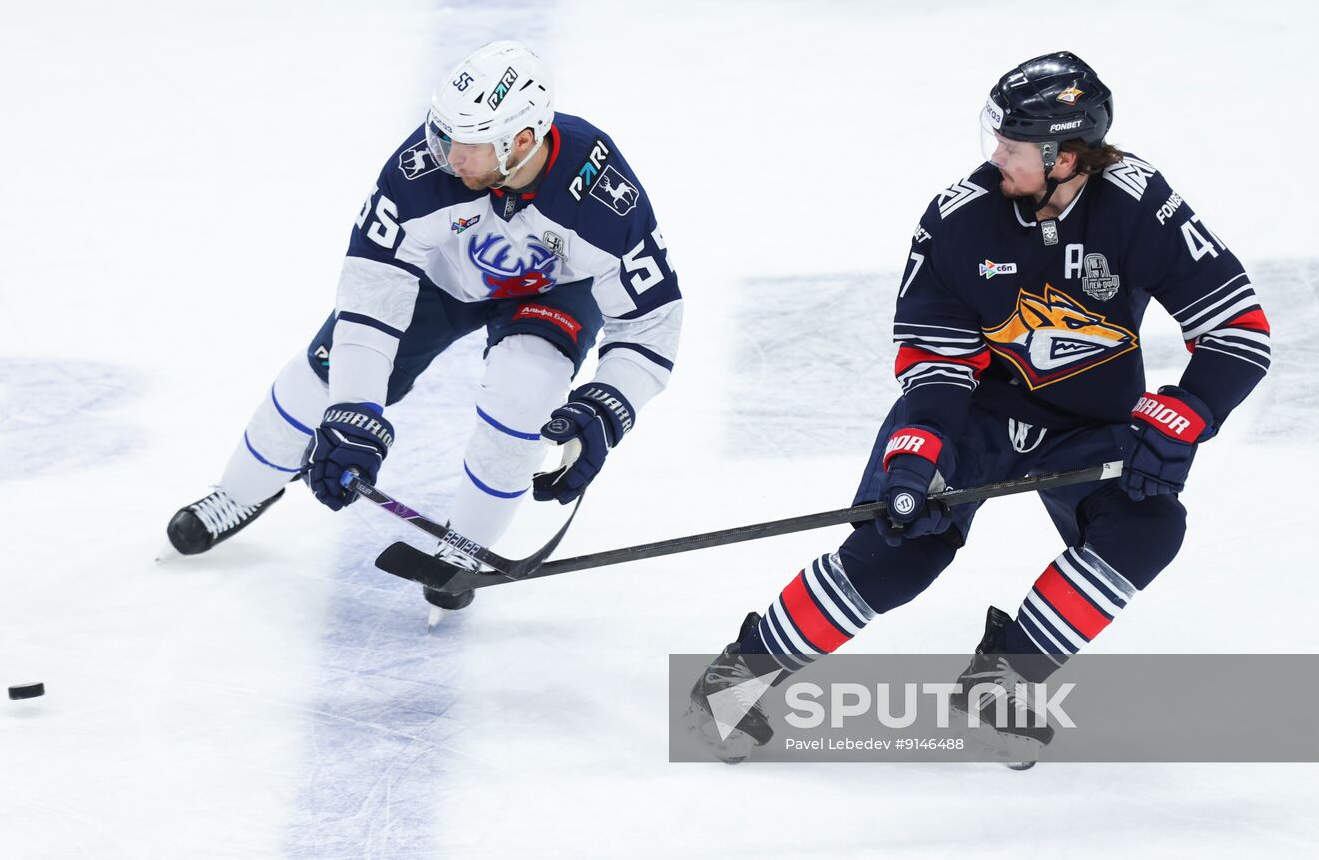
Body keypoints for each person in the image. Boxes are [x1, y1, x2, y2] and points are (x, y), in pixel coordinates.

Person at [686, 52, 1270, 762]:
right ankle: (735, 676)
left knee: (1146, 529)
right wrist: (920, 443)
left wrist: (1188, 410)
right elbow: (936, 360)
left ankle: (1005, 676)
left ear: (1066, 156)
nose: (996, 158)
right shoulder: (959, 220)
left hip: (1088, 423)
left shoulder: (1139, 203)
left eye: (1014, 146)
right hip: (971, 415)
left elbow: (1238, 328)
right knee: (894, 552)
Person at [163, 41, 683, 613]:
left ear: (524, 141)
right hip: (440, 281)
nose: (447, 156)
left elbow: (652, 321)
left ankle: (465, 548)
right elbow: (371, 293)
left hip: (553, 289)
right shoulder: (422, 171)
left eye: (469, 144)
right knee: (320, 378)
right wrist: (354, 407)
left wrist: (610, 403)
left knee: (523, 393)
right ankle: (236, 493)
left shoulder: (604, 197)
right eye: (444, 134)